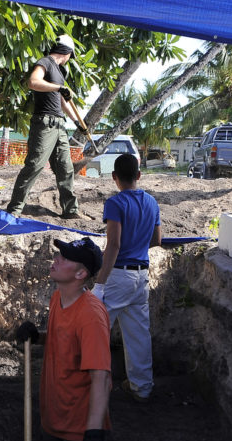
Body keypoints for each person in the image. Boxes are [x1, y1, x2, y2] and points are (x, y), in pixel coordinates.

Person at [17, 237, 111, 441]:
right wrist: (38, 337)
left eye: (66, 258)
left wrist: (94, 435)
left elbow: (101, 377)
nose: (56, 259)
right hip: (53, 419)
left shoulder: (91, 315)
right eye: (59, 254)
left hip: (79, 431)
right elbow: (65, 342)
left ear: (81, 273)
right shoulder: (58, 299)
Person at [91, 153, 161, 403]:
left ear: (114, 177)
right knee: (139, 335)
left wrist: (99, 284)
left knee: (95, 332)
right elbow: (157, 240)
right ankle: (142, 388)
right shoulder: (152, 202)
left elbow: (114, 245)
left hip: (118, 276)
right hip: (141, 276)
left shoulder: (115, 204)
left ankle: (87, 388)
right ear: (139, 175)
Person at [6, 34, 85, 219]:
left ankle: (71, 211)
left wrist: (78, 123)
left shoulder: (59, 72)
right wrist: (58, 88)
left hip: (59, 125)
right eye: (69, 57)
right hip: (44, 124)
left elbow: (63, 101)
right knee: (34, 166)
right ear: (67, 53)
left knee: (65, 168)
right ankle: (14, 210)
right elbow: (33, 82)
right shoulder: (46, 62)